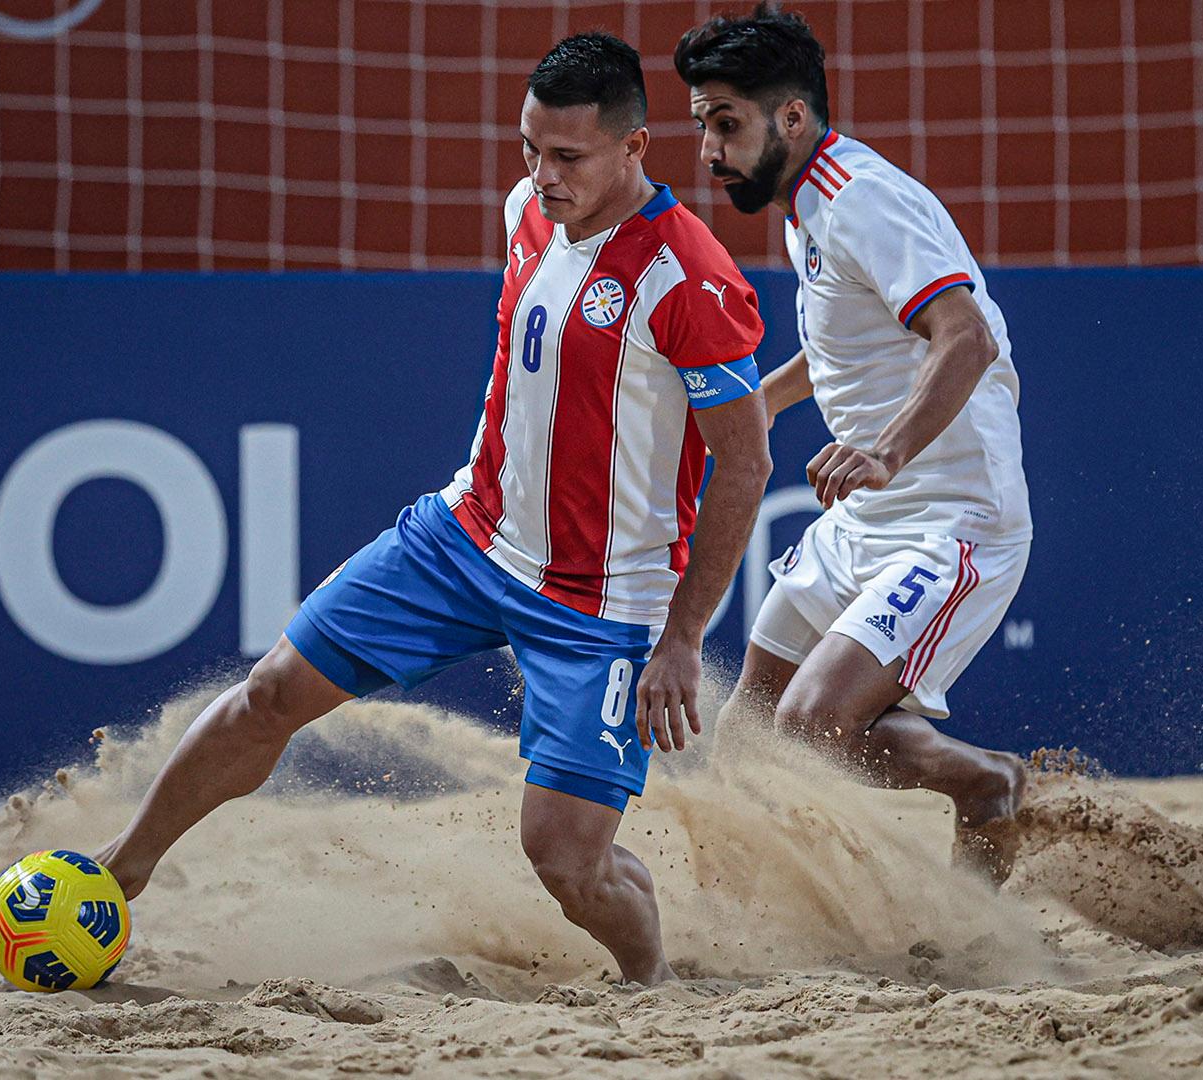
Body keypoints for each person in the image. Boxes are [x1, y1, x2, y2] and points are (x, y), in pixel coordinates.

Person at [92, 32, 771, 985]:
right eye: (530, 149)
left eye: (567, 156)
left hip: (601, 602)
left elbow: (743, 465)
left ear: (635, 149)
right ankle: (115, 876)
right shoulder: (529, 214)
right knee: (270, 694)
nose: (542, 174)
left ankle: (650, 985)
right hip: (465, 537)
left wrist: (684, 639)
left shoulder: (688, 278)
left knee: (567, 862)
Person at [675, 4, 1032, 879]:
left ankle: (987, 785)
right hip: (869, 517)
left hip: (953, 520)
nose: (711, 151)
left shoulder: (863, 198)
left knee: (811, 731)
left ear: (791, 118)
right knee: (748, 742)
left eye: (728, 124)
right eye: (704, 125)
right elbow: (852, 341)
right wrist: (765, 398)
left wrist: (886, 453)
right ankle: (751, 936)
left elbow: (967, 337)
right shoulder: (809, 204)